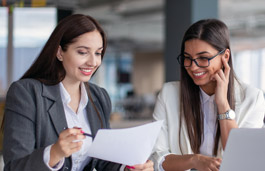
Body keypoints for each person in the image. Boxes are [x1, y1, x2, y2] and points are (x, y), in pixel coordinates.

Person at [2, 14, 153, 171]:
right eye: (82, 52)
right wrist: (54, 153)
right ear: (60, 52)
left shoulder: (99, 97)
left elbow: (104, 159)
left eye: (98, 53)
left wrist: (128, 167)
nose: (93, 62)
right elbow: (14, 166)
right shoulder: (27, 93)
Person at [150, 19, 265, 171]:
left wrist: (223, 104)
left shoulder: (252, 98)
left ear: (225, 56)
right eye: (187, 58)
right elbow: (157, 158)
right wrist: (194, 160)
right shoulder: (168, 94)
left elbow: (243, 160)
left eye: (203, 58)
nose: (193, 66)